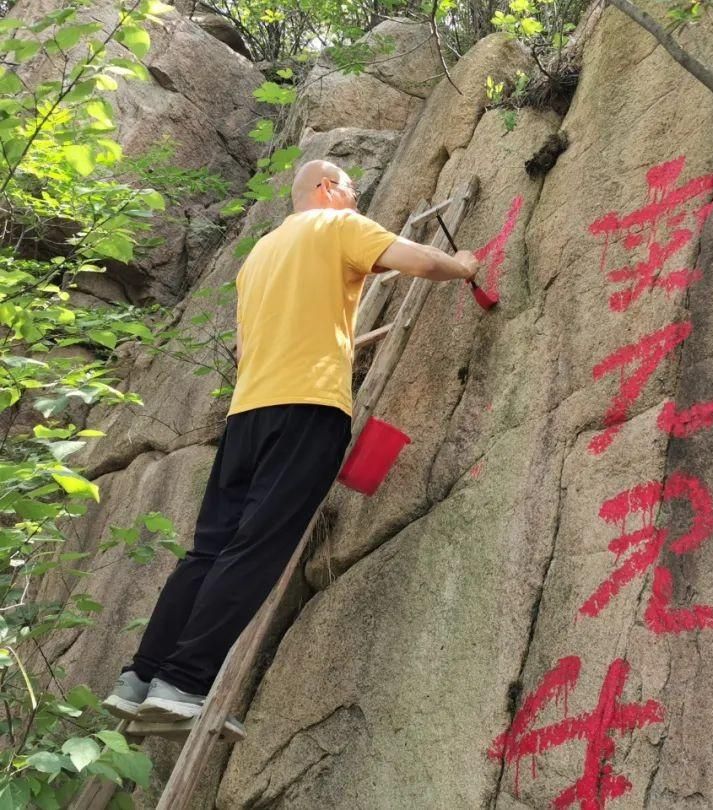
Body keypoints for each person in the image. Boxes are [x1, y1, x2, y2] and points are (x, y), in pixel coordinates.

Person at [103, 159, 481, 722]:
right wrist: (465, 266)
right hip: (307, 407)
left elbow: (245, 342)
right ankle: (182, 684)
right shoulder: (338, 227)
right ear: (328, 189)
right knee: (257, 547)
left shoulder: (257, 257)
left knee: (208, 549)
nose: (355, 200)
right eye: (351, 190)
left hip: (247, 413)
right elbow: (421, 260)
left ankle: (140, 677)